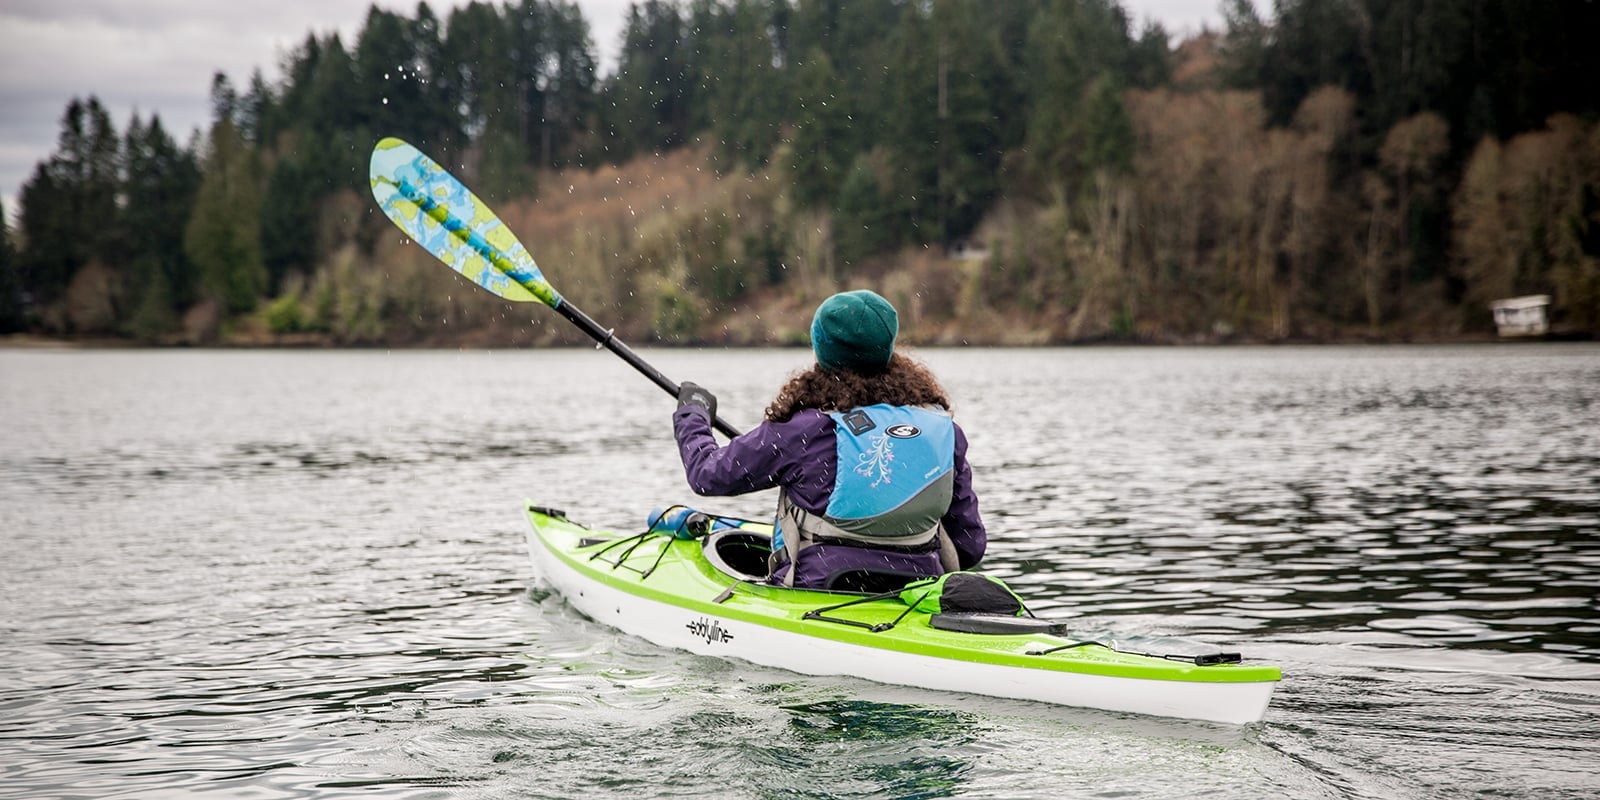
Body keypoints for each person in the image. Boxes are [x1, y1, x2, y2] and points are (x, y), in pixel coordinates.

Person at [671, 289, 986, 590]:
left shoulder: (802, 431)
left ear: (820, 350)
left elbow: (706, 475)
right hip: (917, 593)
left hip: (821, 592)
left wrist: (693, 414)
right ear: (888, 348)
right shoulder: (944, 432)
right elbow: (969, 547)